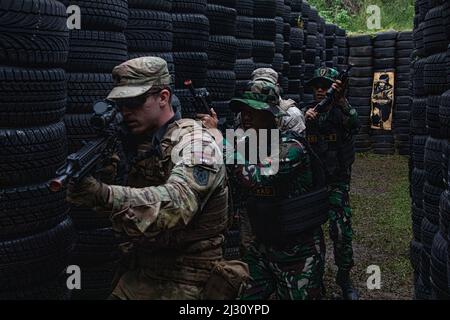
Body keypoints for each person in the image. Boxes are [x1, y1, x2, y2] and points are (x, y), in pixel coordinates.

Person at [66, 57, 246, 300]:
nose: (126, 111)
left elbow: (177, 203)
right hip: (140, 270)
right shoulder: (139, 143)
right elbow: (124, 211)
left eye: (134, 102)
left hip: (189, 277)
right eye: (121, 104)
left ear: (163, 97)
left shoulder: (195, 143)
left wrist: (104, 193)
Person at [227, 81, 327, 300]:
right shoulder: (251, 145)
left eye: (252, 110)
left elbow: (252, 177)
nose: (246, 116)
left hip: (298, 251)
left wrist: (224, 145)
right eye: (243, 111)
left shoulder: (291, 147)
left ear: (271, 115)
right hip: (263, 244)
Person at [302, 66, 360, 300]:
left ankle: (344, 277)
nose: (319, 90)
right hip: (313, 184)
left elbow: (354, 125)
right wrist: (306, 121)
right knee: (310, 234)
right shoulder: (308, 112)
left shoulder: (342, 110)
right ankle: (314, 278)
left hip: (336, 182)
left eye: (324, 86)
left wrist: (341, 100)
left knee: (340, 231)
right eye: (316, 86)